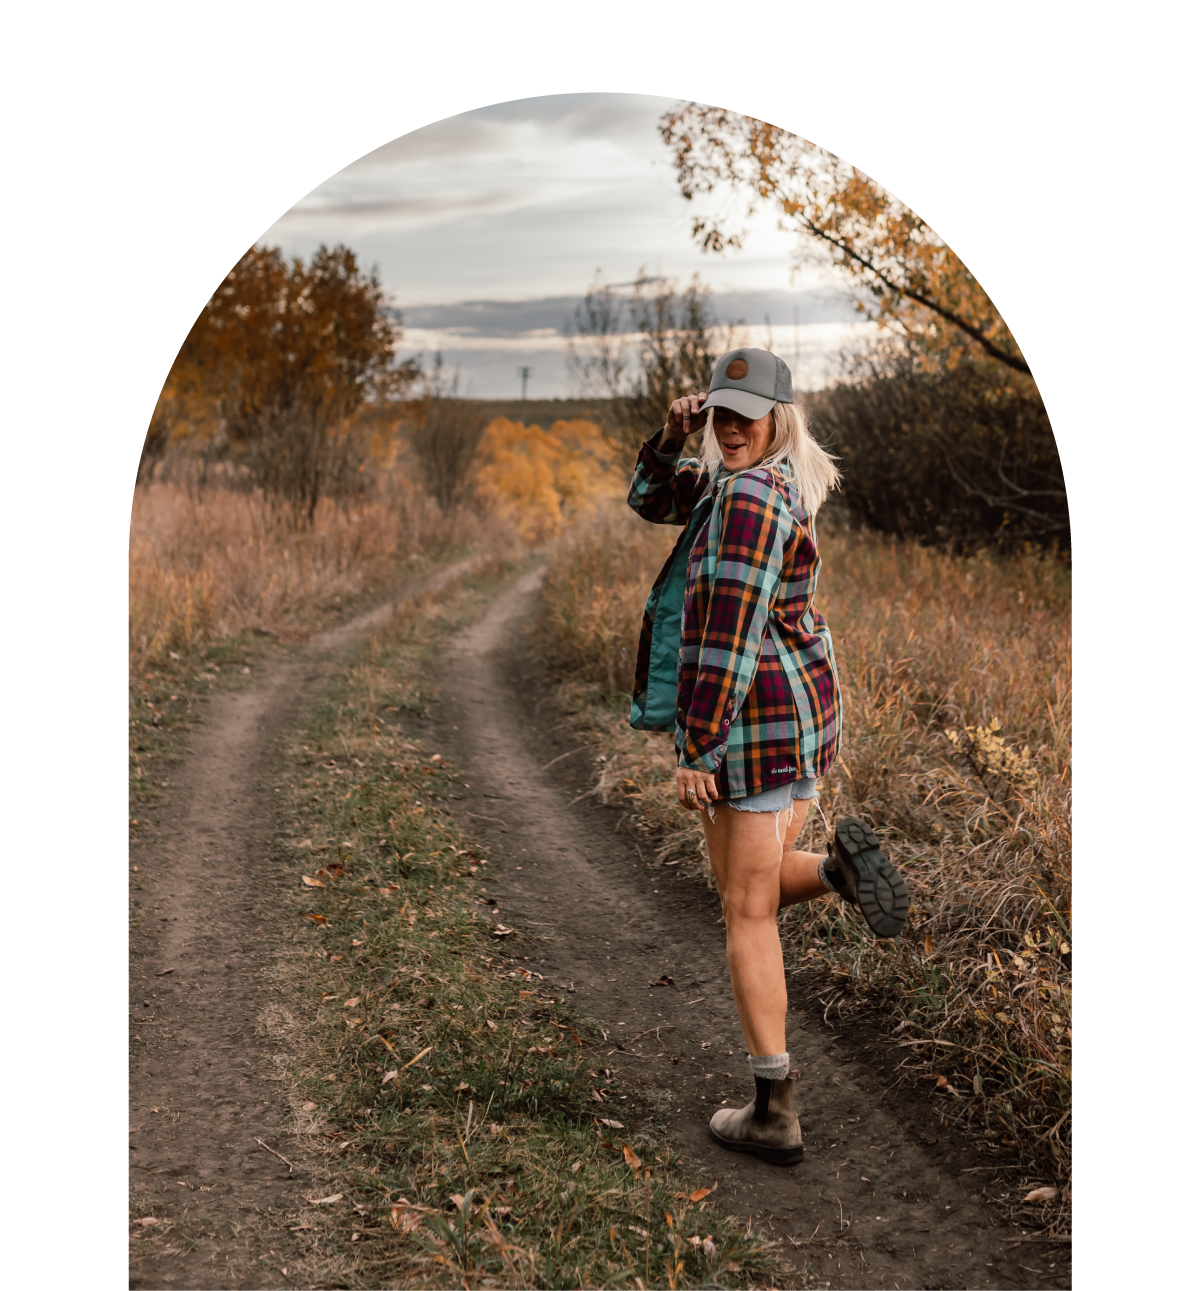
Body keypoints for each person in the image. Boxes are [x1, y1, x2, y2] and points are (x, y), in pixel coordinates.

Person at [627, 348, 909, 1166]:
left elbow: (728, 635)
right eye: (719, 411)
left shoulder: (749, 498)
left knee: (743, 911)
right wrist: (672, 434)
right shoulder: (744, 481)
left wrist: (698, 747)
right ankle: (838, 874)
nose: (730, 426)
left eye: (745, 413)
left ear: (780, 417)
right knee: (756, 882)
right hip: (795, 717)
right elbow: (648, 498)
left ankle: (773, 1108)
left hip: (753, 724)